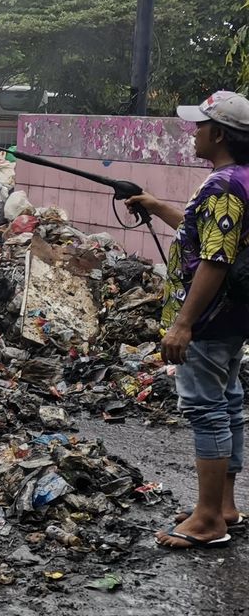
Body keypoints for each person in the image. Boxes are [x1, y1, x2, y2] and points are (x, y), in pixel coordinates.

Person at [126, 91, 249, 549]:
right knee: (228, 403)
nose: (193, 132)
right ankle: (224, 507)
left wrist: (183, 323)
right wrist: (157, 206)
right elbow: (204, 236)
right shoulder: (239, 179)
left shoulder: (224, 186)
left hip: (210, 318)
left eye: (200, 125)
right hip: (233, 316)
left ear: (219, 133)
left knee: (207, 409)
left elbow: (215, 259)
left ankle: (207, 520)